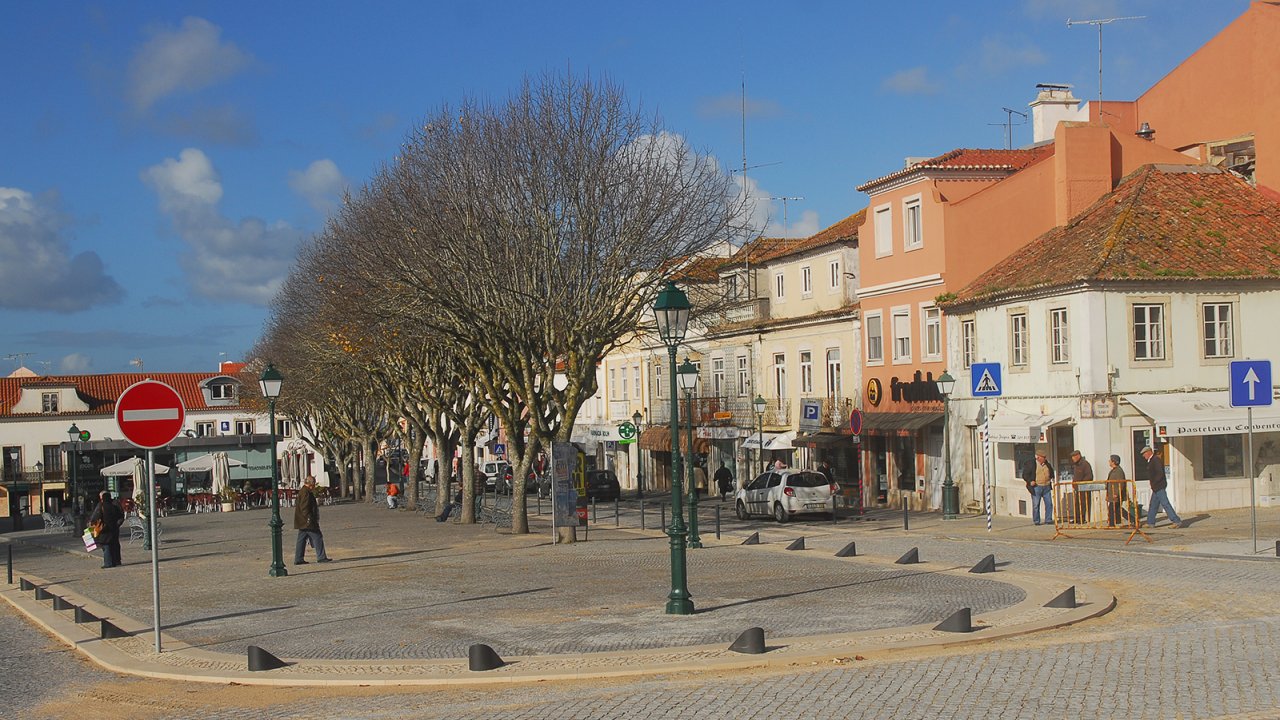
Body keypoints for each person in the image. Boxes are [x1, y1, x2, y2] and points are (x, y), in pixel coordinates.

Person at [1142, 445, 1185, 528]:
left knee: (1165, 504)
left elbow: (1159, 473)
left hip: (1159, 486)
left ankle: (1176, 521)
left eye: (1144, 454)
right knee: (1153, 504)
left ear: (1148, 452)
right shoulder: (1152, 460)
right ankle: (1150, 522)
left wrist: (1155, 483)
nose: (1144, 456)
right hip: (1156, 487)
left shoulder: (1156, 460)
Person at [293, 476, 332, 564]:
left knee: (301, 539)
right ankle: (321, 557)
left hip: (302, 521)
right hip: (307, 521)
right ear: (311, 484)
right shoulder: (306, 492)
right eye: (314, 483)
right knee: (317, 537)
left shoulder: (304, 491)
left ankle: (298, 558)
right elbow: (305, 508)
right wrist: (309, 519)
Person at [88, 491, 125, 568]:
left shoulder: (101, 506)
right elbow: (120, 516)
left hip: (104, 528)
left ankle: (108, 563)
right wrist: (117, 524)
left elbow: (95, 517)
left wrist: (92, 522)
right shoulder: (114, 506)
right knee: (112, 544)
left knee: (106, 545)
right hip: (113, 528)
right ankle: (115, 561)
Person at [1069, 450, 1094, 523]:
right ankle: (1077, 518)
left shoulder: (1085, 464)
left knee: (1083, 503)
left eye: (1073, 457)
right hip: (1078, 488)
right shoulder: (1076, 465)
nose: (1072, 458)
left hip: (1084, 487)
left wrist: (1081, 483)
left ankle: (1082, 519)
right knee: (1077, 503)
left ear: (1078, 456)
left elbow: (1089, 476)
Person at [1105, 454, 1130, 527]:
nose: (1109, 461)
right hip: (1111, 493)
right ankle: (1133, 520)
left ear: (1114, 462)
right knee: (1118, 509)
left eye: (1110, 460)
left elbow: (1121, 483)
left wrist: (1117, 493)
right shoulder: (1113, 471)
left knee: (1112, 508)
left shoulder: (1119, 471)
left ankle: (1111, 524)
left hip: (1116, 494)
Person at [1030, 451, 1054, 525]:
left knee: (1049, 503)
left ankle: (1048, 519)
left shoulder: (1047, 464)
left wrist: (1051, 478)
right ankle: (1036, 520)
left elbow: (1051, 472)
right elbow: (1025, 474)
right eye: (1043, 457)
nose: (1044, 459)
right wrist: (1030, 481)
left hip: (1046, 486)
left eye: (1045, 457)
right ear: (1038, 457)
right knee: (1036, 505)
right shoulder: (1032, 464)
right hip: (1037, 486)